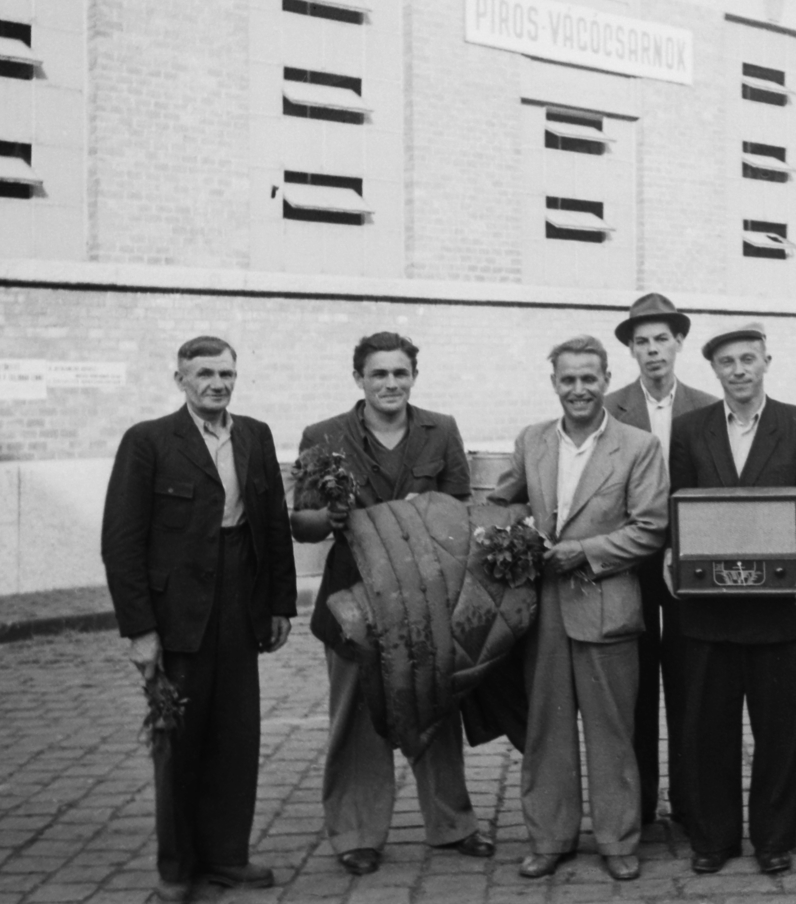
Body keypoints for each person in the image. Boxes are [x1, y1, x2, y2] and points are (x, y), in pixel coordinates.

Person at [101, 336, 297, 902]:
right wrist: (140, 629)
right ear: (180, 379)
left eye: (227, 373)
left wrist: (279, 603)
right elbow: (121, 541)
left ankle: (227, 857)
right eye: (205, 373)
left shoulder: (254, 435)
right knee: (179, 741)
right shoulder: (150, 441)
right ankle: (177, 868)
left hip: (240, 601)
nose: (218, 383)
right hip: (176, 610)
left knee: (237, 737)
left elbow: (271, 524)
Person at [290, 331, 493, 877]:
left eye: (400, 373)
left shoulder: (440, 430)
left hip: (427, 597)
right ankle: (357, 833)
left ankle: (453, 823)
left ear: (413, 378)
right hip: (350, 600)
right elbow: (301, 523)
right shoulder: (324, 435)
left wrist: (424, 513)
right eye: (378, 374)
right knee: (356, 713)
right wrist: (328, 518)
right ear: (359, 378)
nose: (390, 383)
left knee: (436, 703)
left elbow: (460, 511)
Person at [668, 323, 796, 876]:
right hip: (709, 613)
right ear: (715, 371)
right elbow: (675, 507)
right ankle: (714, 838)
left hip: (776, 609)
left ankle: (774, 839)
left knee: (777, 731)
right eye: (727, 362)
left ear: (767, 361)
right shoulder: (689, 429)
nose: (739, 370)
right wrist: (673, 554)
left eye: (749, 359)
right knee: (709, 728)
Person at [491, 335, 670, 882]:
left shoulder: (637, 446)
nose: (578, 389)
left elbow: (652, 528)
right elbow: (503, 503)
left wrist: (585, 553)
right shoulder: (533, 440)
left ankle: (618, 840)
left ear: (605, 380)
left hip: (607, 604)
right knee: (546, 729)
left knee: (613, 730)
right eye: (567, 379)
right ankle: (550, 838)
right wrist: (513, 532)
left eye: (589, 378)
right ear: (554, 384)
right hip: (542, 610)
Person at [604, 292, 718, 826]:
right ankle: (641, 802)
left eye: (662, 341)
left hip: (692, 559)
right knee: (637, 682)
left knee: (692, 680)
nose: (653, 351)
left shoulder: (705, 405)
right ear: (631, 350)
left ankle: (693, 801)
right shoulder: (610, 408)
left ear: (679, 344)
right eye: (642, 342)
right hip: (632, 561)